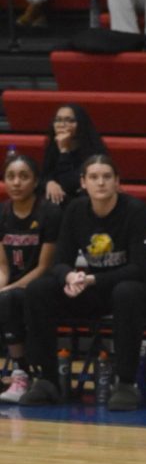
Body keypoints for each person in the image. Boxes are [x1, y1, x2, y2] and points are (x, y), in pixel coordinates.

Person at [20, 154, 146, 410]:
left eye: (107, 177)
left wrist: (91, 279)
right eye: (94, 177)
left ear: (117, 182)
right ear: (83, 182)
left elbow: (139, 268)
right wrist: (70, 276)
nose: (101, 183)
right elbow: (60, 261)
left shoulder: (135, 210)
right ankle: (47, 380)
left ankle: (126, 383)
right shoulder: (75, 210)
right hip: (97, 289)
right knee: (38, 290)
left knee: (125, 292)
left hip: (142, 290)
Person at [0, 154, 61, 404]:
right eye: (11, 177)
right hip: (12, 287)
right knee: (6, 297)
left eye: (23, 177)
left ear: (35, 182)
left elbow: (45, 267)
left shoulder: (49, 212)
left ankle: (21, 372)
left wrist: (7, 290)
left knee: (9, 299)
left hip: (42, 288)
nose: (16, 182)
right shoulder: (2, 212)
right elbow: (3, 265)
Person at [40, 102, 108, 207]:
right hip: (60, 201)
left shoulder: (93, 151)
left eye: (69, 120)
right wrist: (49, 183)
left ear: (80, 124)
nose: (62, 125)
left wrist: (64, 150)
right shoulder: (53, 147)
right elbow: (45, 174)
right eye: (58, 120)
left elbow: (71, 185)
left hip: (85, 202)